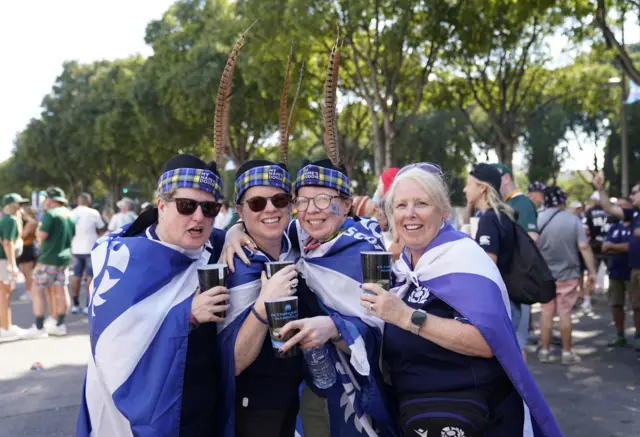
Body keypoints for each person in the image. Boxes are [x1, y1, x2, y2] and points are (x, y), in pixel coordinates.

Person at [223, 36, 396, 437]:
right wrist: (234, 229)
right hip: (309, 393)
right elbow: (262, 221)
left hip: (365, 385)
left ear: (346, 203)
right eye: (304, 200)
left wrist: (335, 328)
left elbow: (387, 324)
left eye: (325, 199)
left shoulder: (369, 248)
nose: (314, 209)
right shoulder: (296, 239)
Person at [360, 163, 562, 437]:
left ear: (443, 210)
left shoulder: (465, 258)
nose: (409, 214)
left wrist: (406, 317)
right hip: (410, 410)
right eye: (400, 205)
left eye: (421, 203)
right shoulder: (401, 267)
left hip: (464, 413)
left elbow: (487, 342)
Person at [76, 154, 229, 437]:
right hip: (149, 415)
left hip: (205, 410)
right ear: (161, 205)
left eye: (210, 208)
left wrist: (240, 231)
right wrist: (188, 314)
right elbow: (113, 343)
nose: (199, 216)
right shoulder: (126, 258)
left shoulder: (217, 245)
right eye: (186, 206)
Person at [218, 159, 301, 437]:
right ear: (240, 210)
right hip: (253, 409)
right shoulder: (231, 264)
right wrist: (263, 306)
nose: (270, 209)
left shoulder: (299, 245)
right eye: (256, 203)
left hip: (301, 401)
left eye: (279, 199)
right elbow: (233, 363)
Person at [536, 186, 596, 365]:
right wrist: (592, 271)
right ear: (562, 201)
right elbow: (584, 247)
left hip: (544, 275)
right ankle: (567, 353)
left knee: (546, 313)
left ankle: (545, 351)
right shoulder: (573, 220)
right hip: (568, 275)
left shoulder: (537, 219)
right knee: (565, 313)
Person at [464, 164, 521, 338]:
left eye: (469, 184)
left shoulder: (489, 220)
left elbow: (488, 267)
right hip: (511, 298)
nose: (465, 189)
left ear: (482, 188)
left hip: (499, 302)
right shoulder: (502, 216)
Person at [491, 163, 539, 357]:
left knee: (517, 345)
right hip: (505, 282)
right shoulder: (501, 204)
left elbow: (532, 239)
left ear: (506, 179)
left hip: (517, 282)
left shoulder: (522, 203)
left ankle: (521, 388)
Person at [593, 174, 640, 357]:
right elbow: (608, 207)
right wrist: (600, 188)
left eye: (636, 192)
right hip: (629, 268)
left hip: (634, 269)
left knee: (637, 306)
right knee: (627, 305)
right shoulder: (633, 214)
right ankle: (624, 335)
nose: (632, 195)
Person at [24, 187, 75, 338]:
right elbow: (72, 237)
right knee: (61, 289)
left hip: (48, 258)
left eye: (45, 199)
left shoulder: (50, 214)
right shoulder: (69, 214)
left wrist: (38, 230)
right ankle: (59, 324)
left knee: (36, 289)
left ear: (51, 200)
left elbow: (43, 235)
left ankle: (39, 327)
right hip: (64, 257)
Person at [602, 197, 633, 347]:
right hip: (615, 270)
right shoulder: (614, 227)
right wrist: (621, 248)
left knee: (637, 306)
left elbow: (630, 247)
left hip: (632, 270)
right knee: (616, 304)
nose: (618, 210)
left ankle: (638, 336)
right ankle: (620, 335)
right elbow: (605, 247)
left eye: (622, 207)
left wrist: (615, 247)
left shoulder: (635, 225)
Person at [70, 193, 106, 315]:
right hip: (91, 247)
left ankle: (75, 304)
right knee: (90, 276)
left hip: (75, 248)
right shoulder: (93, 213)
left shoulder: (72, 213)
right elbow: (101, 228)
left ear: (77, 201)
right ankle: (87, 304)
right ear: (89, 202)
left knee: (76, 275)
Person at [0, 193, 28, 339]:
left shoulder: (6, 219)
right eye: (19, 204)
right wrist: (13, 265)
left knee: (4, 294)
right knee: (5, 294)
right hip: (4, 261)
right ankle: (5, 327)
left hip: (3, 260)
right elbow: (7, 243)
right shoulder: (10, 220)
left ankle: (5, 326)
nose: (22, 207)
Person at [582, 190, 612, 310]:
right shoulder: (610, 211)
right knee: (613, 275)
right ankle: (614, 299)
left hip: (595, 246)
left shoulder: (590, 212)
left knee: (591, 273)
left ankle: (587, 300)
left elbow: (585, 229)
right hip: (611, 246)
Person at [17, 205, 38, 302]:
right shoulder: (27, 221)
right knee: (26, 273)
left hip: (28, 248)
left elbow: (23, 235)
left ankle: (31, 292)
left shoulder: (31, 222)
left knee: (28, 272)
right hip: (25, 248)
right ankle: (29, 290)